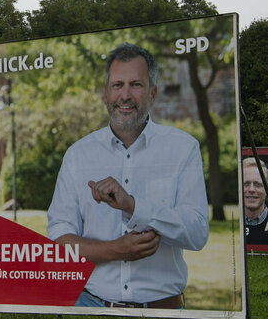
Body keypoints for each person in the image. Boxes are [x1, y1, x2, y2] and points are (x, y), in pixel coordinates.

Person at [47, 43, 209, 309]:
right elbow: (58, 241)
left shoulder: (183, 148)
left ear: (153, 93)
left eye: (136, 84)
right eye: (117, 85)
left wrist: (134, 206)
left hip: (162, 311)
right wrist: (115, 249)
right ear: (105, 94)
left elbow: (197, 233)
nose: (125, 95)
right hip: (91, 306)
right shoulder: (78, 155)